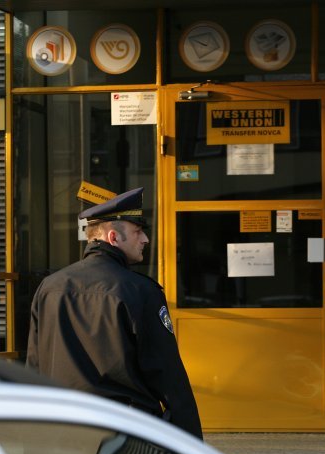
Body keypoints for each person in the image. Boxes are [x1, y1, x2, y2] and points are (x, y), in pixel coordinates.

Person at [26, 186, 203, 439]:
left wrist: (35, 446)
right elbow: (167, 374)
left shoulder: (50, 287)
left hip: (64, 430)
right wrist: (191, 445)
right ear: (113, 237)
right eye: (137, 231)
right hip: (126, 433)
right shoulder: (141, 291)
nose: (145, 240)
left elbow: (36, 365)